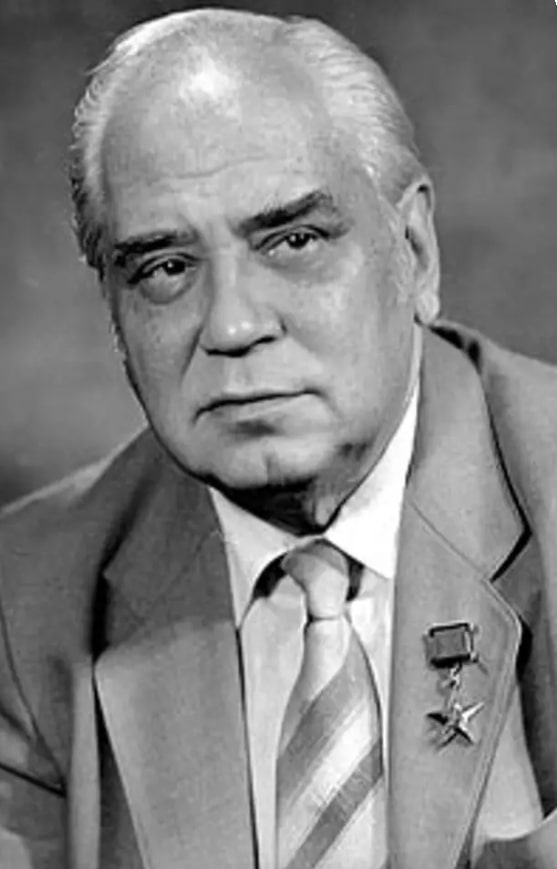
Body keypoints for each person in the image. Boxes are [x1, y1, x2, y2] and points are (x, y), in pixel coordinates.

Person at [1, 7, 557, 868]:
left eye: (292, 240)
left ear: (413, 252)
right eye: (165, 268)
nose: (232, 325)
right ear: (113, 311)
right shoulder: (24, 606)